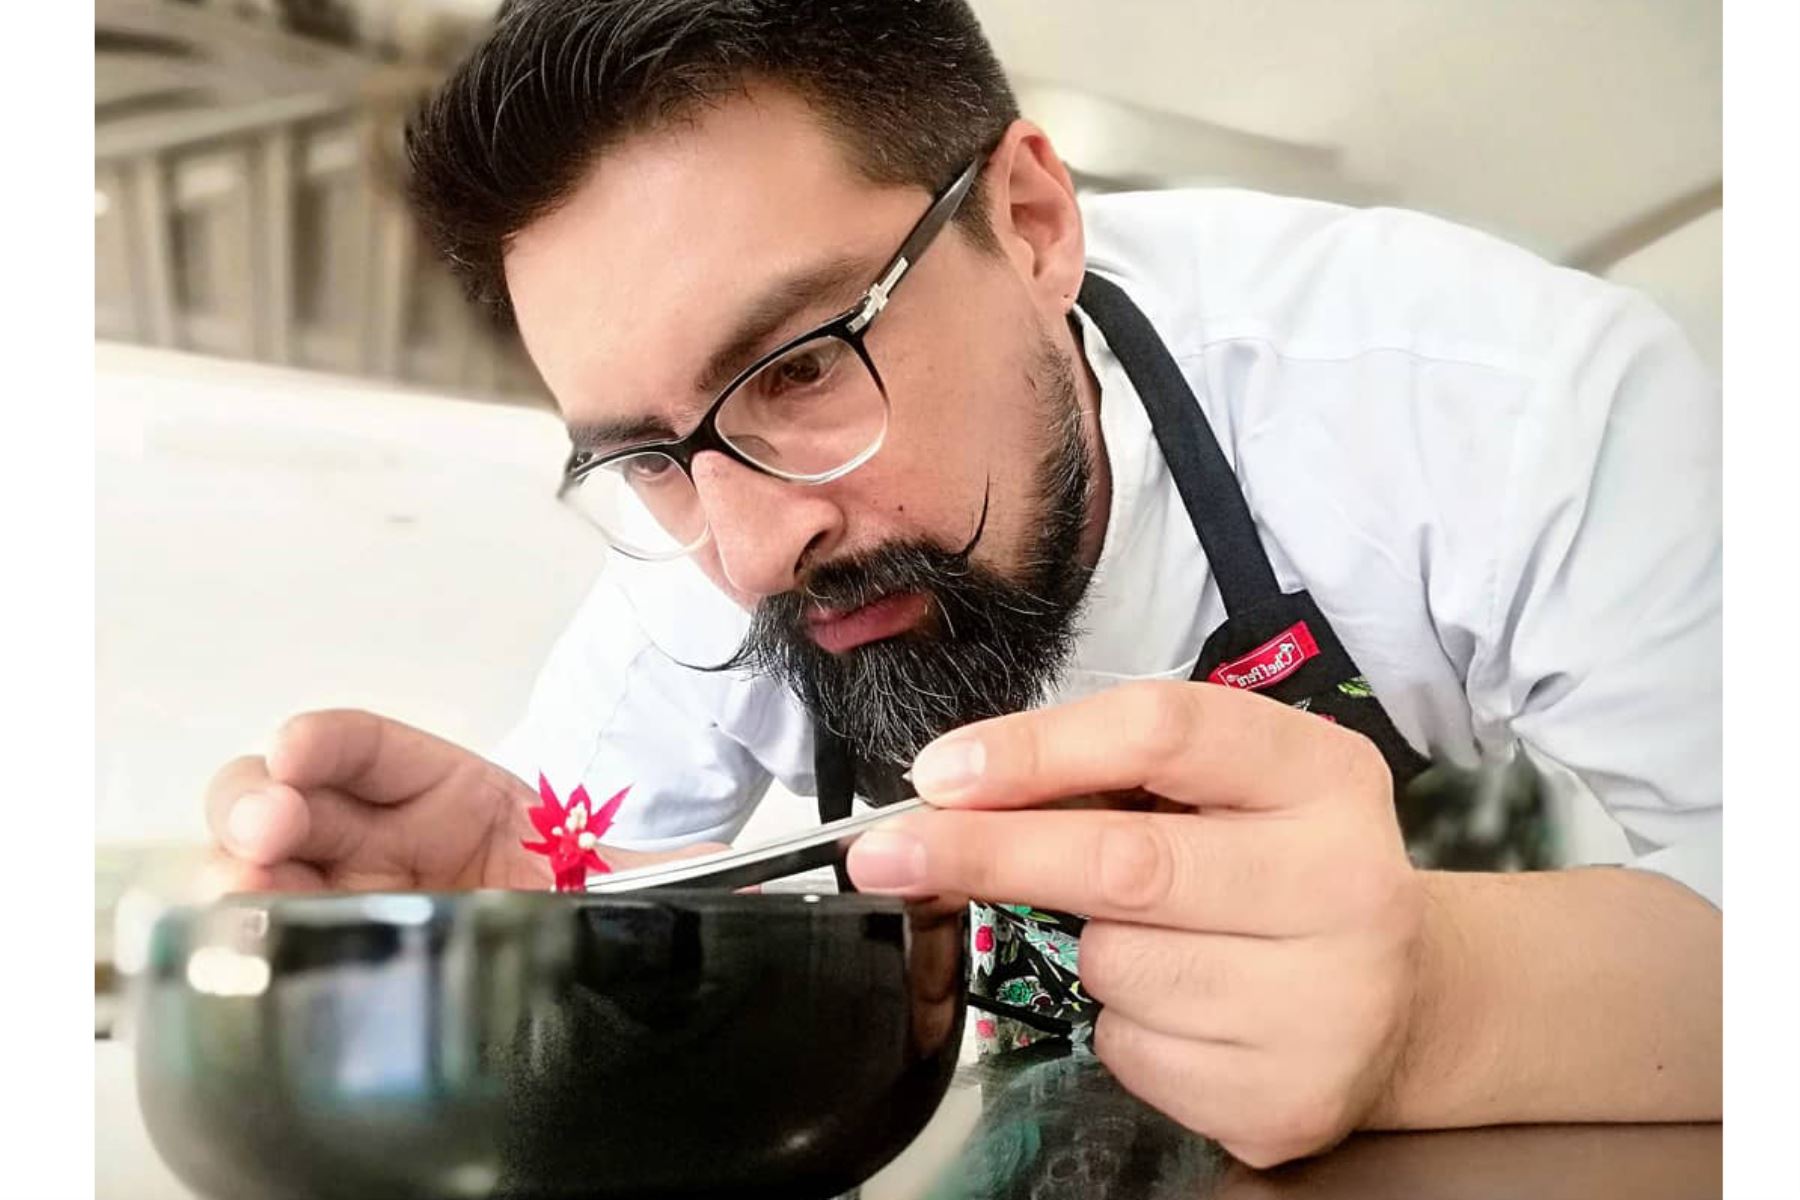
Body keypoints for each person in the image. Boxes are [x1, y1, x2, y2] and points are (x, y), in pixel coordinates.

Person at [201, 0, 1721, 1168]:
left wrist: (1439, 1003)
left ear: (1033, 224)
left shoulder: (1499, 401)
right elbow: (566, 884)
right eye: (650, 458)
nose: (745, 551)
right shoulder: (691, 579)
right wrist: (529, 977)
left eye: (799, 368)